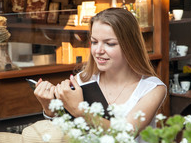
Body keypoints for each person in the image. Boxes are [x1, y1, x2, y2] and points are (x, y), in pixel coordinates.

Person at [34, 8, 166, 131]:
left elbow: (127, 133)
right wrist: (50, 109)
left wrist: (81, 112)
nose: (98, 51)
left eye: (110, 43)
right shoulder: (82, 80)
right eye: (94, 42)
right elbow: (65, 134)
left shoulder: (152, 88)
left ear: (130, 45)